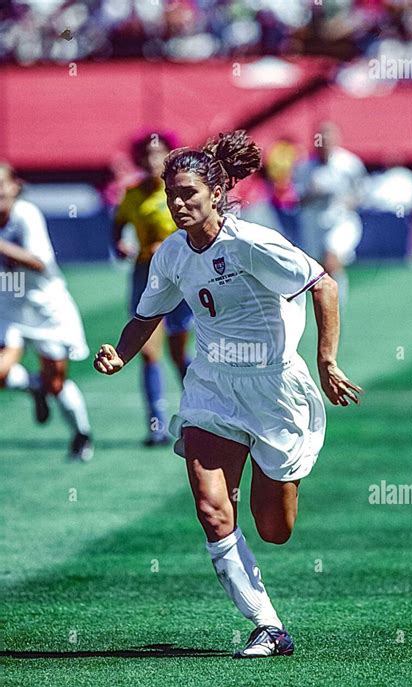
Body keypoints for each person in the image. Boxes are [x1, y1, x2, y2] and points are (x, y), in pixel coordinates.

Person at [94, 130, 362, 658]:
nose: (178, 203)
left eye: (189, 193)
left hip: (275, 389)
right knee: (213, 510)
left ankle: (275, 480)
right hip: (212, 386)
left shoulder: (252, 243)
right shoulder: (170, 254)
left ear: (216, 193)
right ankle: (267, 626)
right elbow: (146, 314)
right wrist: (122, 355)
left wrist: (326, 361)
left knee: (275, 529)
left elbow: (323, 284)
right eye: (172, 194)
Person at [0, 162, 93, 461]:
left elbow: (39, 262)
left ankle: (81, 435)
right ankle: (33, 386)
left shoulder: (25, 214)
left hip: (46, 307)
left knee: (55, 383)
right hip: (9, 306)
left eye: (2, 183)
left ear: (16, 186)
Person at [113, 129, 193, 446]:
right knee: (148, 353)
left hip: (179, 277)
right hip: (145, 275)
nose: (151, 160)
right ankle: (156, 425)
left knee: (177, 353)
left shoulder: (177, 192)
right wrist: (118, 242)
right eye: (146, 154)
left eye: (157, 154)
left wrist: (171, 245)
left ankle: (200, 413)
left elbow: (195, 230)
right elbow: (118, 222)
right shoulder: (132, 194)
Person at [293, 121, 367, 310]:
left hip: (340, 222)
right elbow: (297, 199)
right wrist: (313, 193)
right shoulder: (304, 168)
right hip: (314, 224)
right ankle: (321, 303)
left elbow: (361, 193)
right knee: (315, 269)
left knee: (331, 259)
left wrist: (346, 201)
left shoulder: (349, 165)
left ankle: (338, 304)